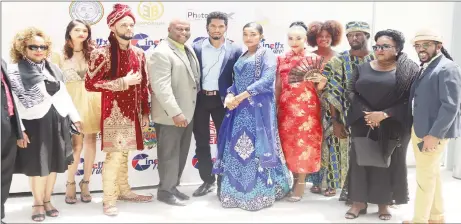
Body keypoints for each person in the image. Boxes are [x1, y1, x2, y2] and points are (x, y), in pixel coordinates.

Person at [212, 22, 291, 211]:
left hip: (259, 109)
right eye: (246, 34)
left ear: (261, 36)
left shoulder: (267, 54)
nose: (249, 38)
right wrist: (231, 94)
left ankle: (259, 192)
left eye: (253, 34)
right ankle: (235, 191)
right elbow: (236, 82)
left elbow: (267, 80)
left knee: (257, 147)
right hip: (239, 110)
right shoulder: (242, 55)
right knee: (238, 147)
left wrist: (241, 96)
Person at [8, 27, 82, 222]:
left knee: (53, 165)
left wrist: (75, 117)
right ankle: (37, 203)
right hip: (34, 123)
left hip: (58, 120)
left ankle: (48, 200)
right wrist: (19, 130)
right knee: (38, 166)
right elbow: (13, 104)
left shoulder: (53, 68)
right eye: (33, 46)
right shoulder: (14, 71)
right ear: (22, 48)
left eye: (43, 46)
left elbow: (63, 95)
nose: (39, 50)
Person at [85, 3, 153, 216]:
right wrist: (122, 82)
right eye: (124, 25)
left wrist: (144, 113)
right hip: (114, 112)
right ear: (113, 27)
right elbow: (90, 83)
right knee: (115, 156)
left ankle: (124, 190)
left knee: (125, 154)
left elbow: (143, 85)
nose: (129, 29)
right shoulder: (101, 54)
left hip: (133, 112)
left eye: (132, 25)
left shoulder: (139, 53)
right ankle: (109, 199)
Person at [344, 29, 419, 220]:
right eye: (377, 46)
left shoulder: (407, 70)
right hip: (363, 122)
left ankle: (383, 204)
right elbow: (351, 91)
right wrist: (368, 114)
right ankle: (358, 202)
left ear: (397, 49)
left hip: (392, 124)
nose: (379, 49)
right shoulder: (363, 68)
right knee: (359, 161)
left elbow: (408, 99)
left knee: (387, 163)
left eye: (385, 46)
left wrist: (384, 114)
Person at [403, 29, 461, 224]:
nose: (421, 49)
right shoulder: (427, 66)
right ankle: (436, 217)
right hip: (420, 127)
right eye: (418, 45)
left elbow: (451, 106)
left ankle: (420, 220)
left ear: (439, 46)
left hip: (432, 132)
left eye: (426, 44)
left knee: (424, 179)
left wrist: (435, 134)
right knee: (432, 174)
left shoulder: (447, 67)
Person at [320, 21, 375, 203]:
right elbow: (331, 91)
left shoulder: (377, 59)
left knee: (373, 155)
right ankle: (350, 191)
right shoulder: (339, 61)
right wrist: (336, 121)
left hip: (373, 117)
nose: (353, 38)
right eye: (350, 35)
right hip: (344, 117)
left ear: (367, 36)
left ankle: (375, 193)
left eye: (358, 34)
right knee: (344, 154)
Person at [149, 19, 200, 206]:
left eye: (187, 29)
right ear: (169, 29)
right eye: (179, 29)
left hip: (187, 112)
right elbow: (161, 87)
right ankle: (164, 191)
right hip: (172, 115)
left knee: (180, 153)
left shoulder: (186, 48)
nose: (184, 32)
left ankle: (173, 186)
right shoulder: (161, 52)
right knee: (168, 155)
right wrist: (175, 113)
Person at [191, 11, 242, 197]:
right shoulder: (195, 48)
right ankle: (207, 180)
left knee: (225, 142)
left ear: (226, 28)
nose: (217, 30)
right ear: (207, 27)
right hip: (200, 100)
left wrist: (232, 95)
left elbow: (239, 78)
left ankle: (224, 182)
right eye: (213, 26)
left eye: (221, 26)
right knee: (202, 142)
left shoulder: (235, 50)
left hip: (223, 101)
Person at [275, 21, 326, 202]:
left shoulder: (315, 59)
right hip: (286, 109)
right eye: (290, 38)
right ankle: (293, 182)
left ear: (305, 39)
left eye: (298, 38)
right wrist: (275, 107)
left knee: (303, 147)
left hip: (307, 110)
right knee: (289, 147)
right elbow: (278, 86)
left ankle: (300, 186)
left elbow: (320, 88)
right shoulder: (281, 58)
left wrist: (322, 80)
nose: (294, 41)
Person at [54, 19, 101, 204]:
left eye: (85, 30)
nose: (82, 33)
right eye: (78, 29)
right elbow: (55, 83)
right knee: (76, 146)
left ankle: (86, 183)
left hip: (93, 101)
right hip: (71, 103)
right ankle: (70, 183)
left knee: (91, 143)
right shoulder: (59, 54)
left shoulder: (94, 53)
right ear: (69, 32)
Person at [304, 20, 344, 196]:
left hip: (332, 106)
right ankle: (316, 180)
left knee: (332, 144)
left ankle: (332, 183)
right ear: (314, 38)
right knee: (315, 144)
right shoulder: (308, 56)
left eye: (328, 36)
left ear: (333, 38)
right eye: (320, 36)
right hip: (311, 105)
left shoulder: (338, 57)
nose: (324, 39)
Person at [1, 59, 26, 224]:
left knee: (4, 174)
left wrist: (18, 130)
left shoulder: (2, 61)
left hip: (8, 123)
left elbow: (9, 96)